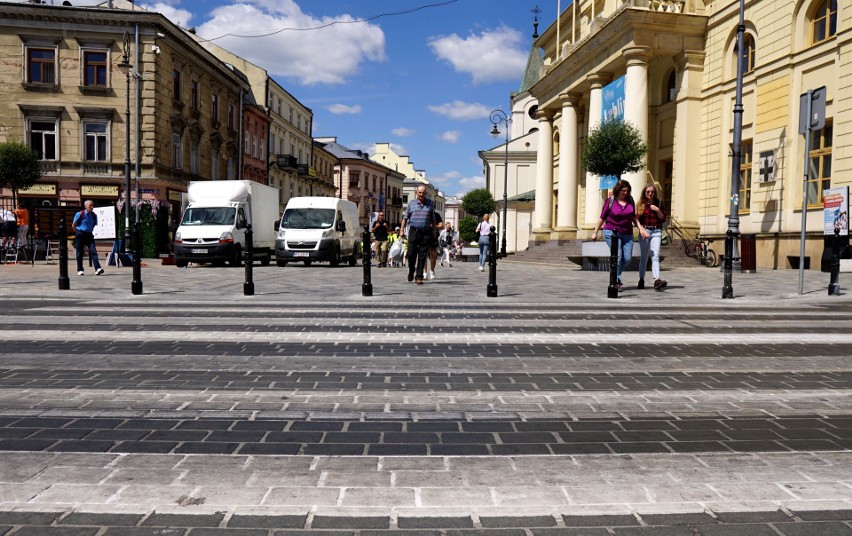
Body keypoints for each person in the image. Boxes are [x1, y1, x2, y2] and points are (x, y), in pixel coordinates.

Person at [591, 180, 647, 291]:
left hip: (627, 233)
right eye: (623, 190)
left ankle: (616, 277)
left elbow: (633, 217)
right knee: (618, 256)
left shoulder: (630, 200)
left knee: (627, 259)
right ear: (618, 190)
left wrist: (641, 229)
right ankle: (616, 281)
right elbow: (602, 217)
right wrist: (595, 231)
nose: (625, 193)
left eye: (627, 191)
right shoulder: (610, 201)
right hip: (612, 232)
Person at [400, 185, 435, 285]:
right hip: (413, 232)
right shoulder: (411, 203)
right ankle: (411, 270)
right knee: (411, 254)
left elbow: (432, 218)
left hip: (426, 232)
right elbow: (405, 218)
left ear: (425, 193)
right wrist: (402, 229)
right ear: (416, 193)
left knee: (422, 255)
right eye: (420, 193)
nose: (421, 195)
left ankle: (419, 277)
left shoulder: (430, 203)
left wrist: (434, 230)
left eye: (423, 193)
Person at [636, 184, 667, 290]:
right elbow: (636, 220)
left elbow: (663, 219)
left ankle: (657, 280)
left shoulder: (659, 203)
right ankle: (641, 279)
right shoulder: (640, 204)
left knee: (655, 255)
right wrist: (642, 230)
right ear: (644, 193)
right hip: (644, 231)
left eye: (652, 192)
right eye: (648, 192)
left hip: (656, 231)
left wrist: (657, 210)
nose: (650, 194)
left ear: (655, 193)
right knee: (644, 257)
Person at [72, 200, 104, 276]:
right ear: (85, 206)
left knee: (93, 251)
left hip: (89, 234)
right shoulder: (80, 214)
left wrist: (89, 230)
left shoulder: (94, 215)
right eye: (90, 205)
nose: (92, 207)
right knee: (79, 252)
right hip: (80, 233)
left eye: (93, 205)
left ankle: (97, 268)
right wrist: (77, 232)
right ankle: (80, 269)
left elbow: (93, 225)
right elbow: (74, 225)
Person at [427, 211, 443, 280]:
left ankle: (432, 271)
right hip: (423, 235)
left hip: (433, 236)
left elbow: (441, 225)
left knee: (433, 254)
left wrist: (433, 226)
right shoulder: (423, 214)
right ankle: (424, 272)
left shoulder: (436, 215)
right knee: (423, 254)